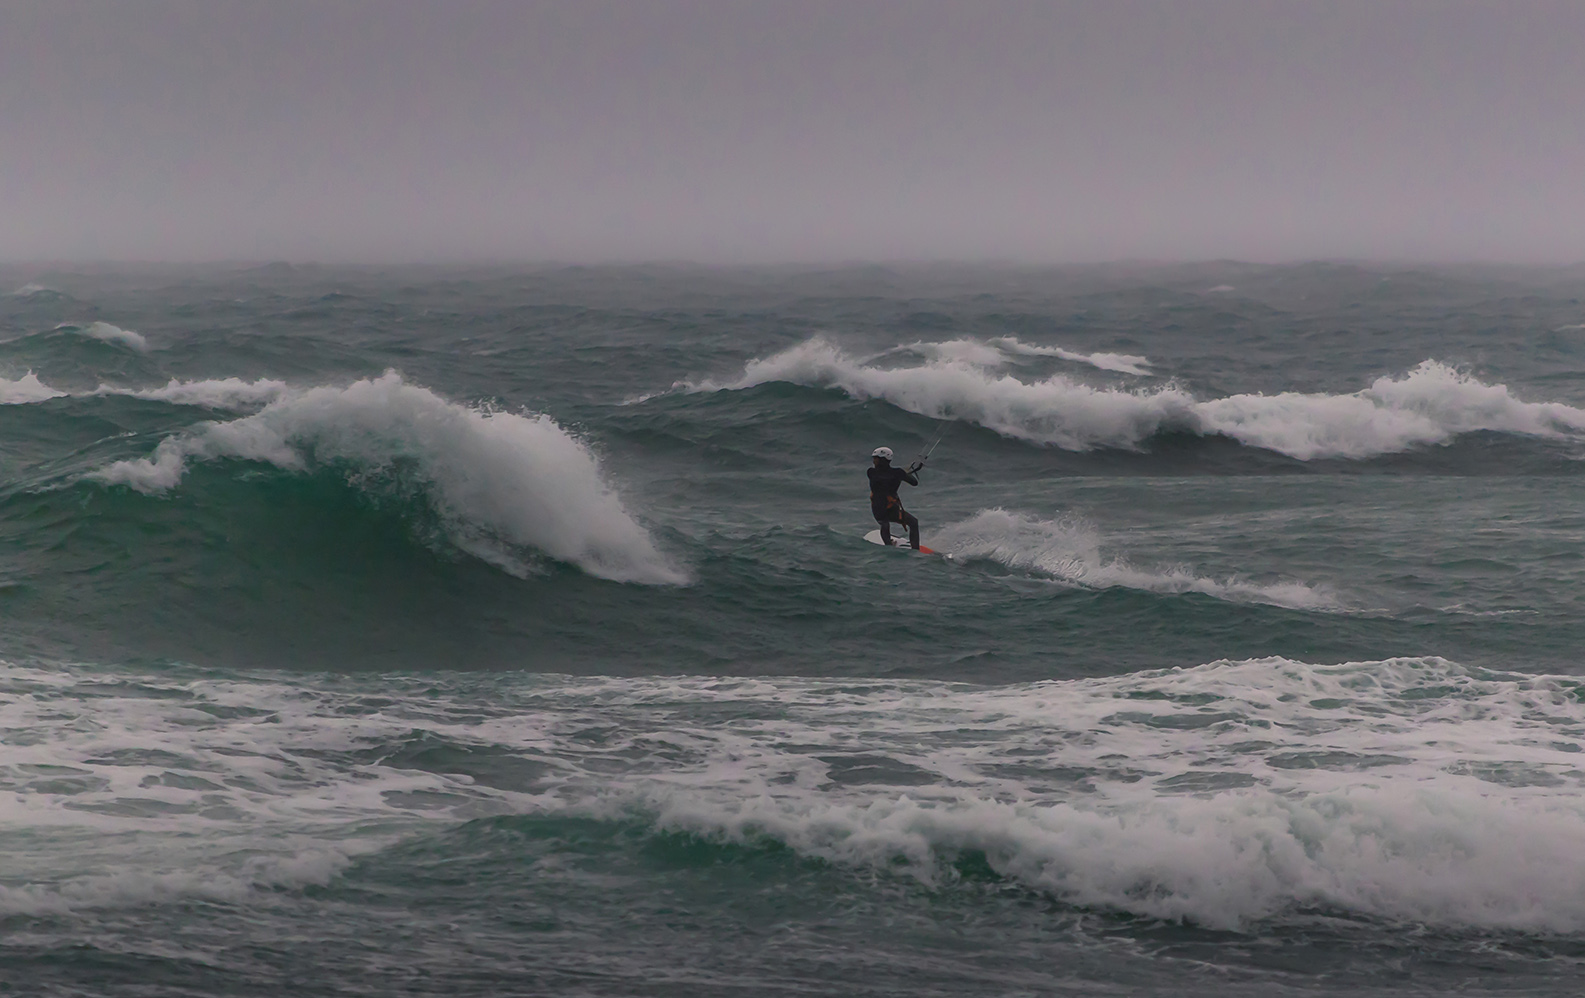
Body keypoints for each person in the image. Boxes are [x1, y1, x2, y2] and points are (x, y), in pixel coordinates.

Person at [868, 446, 923, 549]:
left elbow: (914, 483)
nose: (874, 461)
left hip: (892, 509)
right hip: (878, 508)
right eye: (874, 458)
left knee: (913, 522)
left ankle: (915, 550)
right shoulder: (871, 472)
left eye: (876, 458)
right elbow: (883, 479)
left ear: (884, 460)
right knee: (885, 524)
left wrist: (903, 475)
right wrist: (903, 474)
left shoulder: (896, 473)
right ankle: (888, 547)